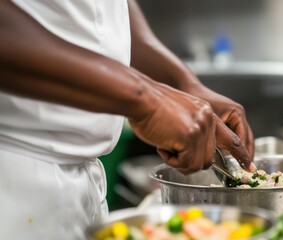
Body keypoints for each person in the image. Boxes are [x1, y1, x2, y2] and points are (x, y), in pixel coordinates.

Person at [0, 0, 256, 239]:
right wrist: (148, 100)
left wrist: (183, 84)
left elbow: (107, 17)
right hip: (15, 185)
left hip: (83, 188)